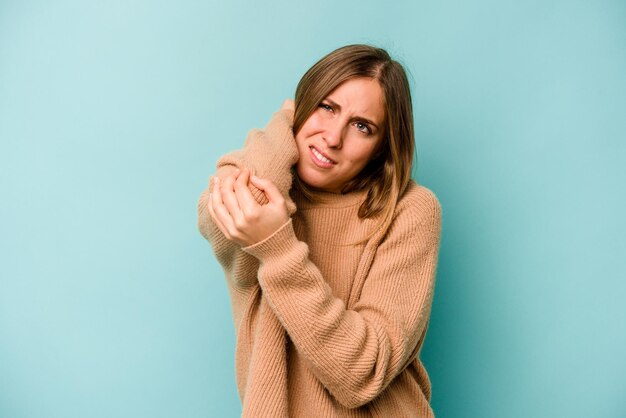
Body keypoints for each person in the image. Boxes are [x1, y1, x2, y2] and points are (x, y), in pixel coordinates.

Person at [197, 44, 442, 418]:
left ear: (381, 148)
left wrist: (278, 251)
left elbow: (362, 373)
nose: (332, 137)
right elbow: (219, 214)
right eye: (326, 107)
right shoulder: (255, 187)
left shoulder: (410, 210)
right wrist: (284, 123)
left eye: (362, 126)